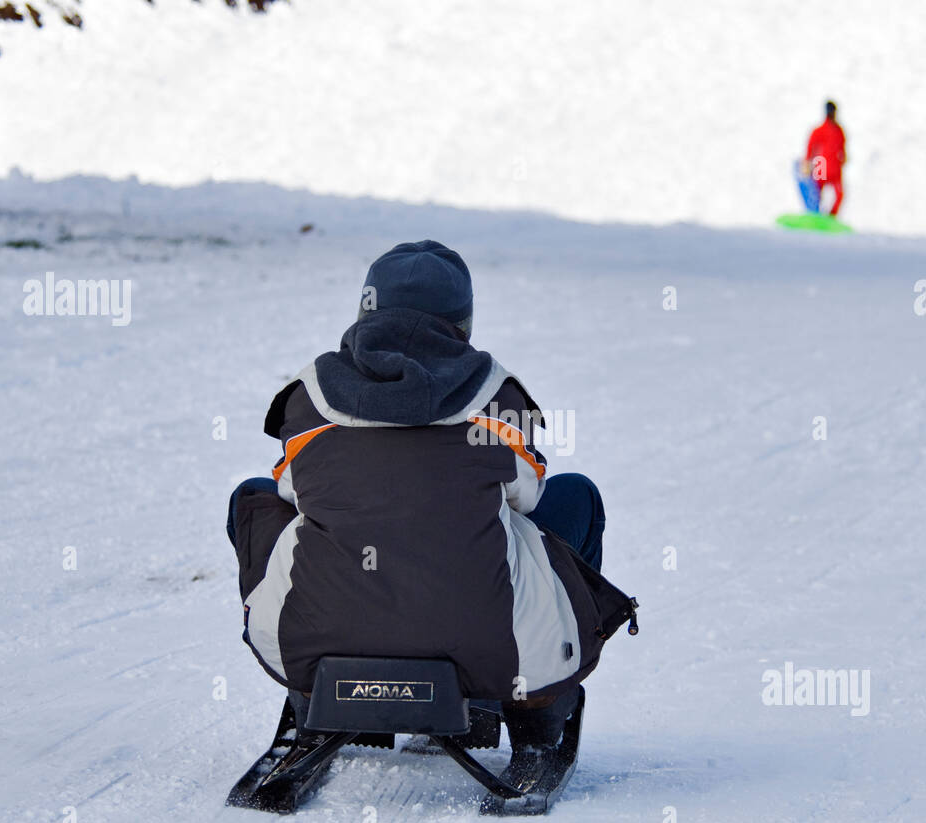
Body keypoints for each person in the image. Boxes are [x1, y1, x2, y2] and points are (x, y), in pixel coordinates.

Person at [226, 240, 636, 768]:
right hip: (488, 646)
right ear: (461, 321)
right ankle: (539, 704)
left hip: (321, 637)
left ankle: (314, 695)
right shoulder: (494, 394)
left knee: (252, 497)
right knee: (574, 495)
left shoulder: (310, 395)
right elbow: (528, 496)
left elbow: (293, 492)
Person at [803, 100, 847, 216]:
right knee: (816, 194)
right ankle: (815, 215)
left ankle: (831, 216)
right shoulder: (820, 130)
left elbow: (842, 149)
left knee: (840, 194)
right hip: (821, 165)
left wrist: (843, 160)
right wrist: (807, 162)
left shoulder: (839, 131)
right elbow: (810, 146)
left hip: (835, 169)